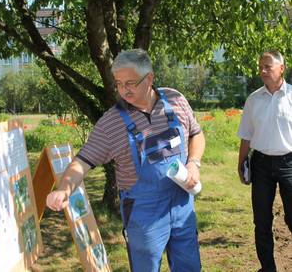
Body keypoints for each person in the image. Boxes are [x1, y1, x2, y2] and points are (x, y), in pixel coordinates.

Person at [46, 48, 205, 272]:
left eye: (130, 83)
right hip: (144, 213)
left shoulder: (176, 100)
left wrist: (193, 163)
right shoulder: (111, 124)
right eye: (119, 83)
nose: (123, 90)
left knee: (189, 267)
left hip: (182, 204)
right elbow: (82, 162)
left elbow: (196, 134)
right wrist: (64, 189)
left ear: (149, 78)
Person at [237, 50, 292, 272]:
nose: (262, 71)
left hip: (289, 165)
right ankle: (267, 269)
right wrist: (241, 164)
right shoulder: (253, 99)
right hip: (260, 165)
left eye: (267, 66)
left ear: (282, 68)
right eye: (260, 66)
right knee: (261, 222)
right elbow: (246, 136)